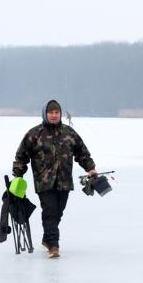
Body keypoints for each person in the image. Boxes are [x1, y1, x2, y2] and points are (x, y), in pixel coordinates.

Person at [11, 99, 97, 258]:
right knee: (50, 211)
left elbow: (82, 153)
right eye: (51, 112)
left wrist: (90, 168)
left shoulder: (69, 133)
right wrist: (18, 174)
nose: (54, 115)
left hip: (64, 181)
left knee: (58, 212)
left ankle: (46, 238)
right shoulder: (34, 134)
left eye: (56, 112)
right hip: (44, 182)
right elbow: (21, 156)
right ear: (45, 113)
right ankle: (53, 244)